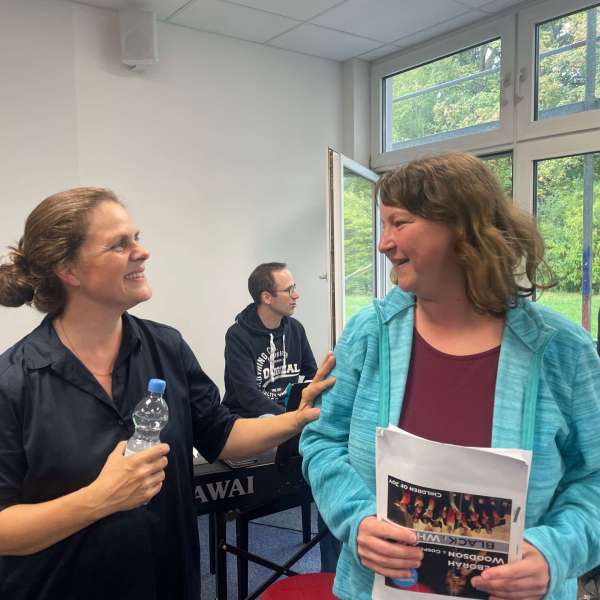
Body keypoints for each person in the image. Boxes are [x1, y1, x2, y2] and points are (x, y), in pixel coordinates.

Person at [0, 187, 335, 600]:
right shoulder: (13, 383)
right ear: (69, 269)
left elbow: (221, 435)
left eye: (137, 238)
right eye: (119, 244)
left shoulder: (167, 348)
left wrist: (296, 418)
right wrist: (99, 500)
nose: (142, 252)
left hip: (167, 582)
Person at [300, 153, 600, 600]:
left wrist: (554, 552)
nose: (383, 244)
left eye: (399, 223)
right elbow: (322, 442)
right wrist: (357, 520)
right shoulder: (369, 335)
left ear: (463, 227)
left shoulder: (562, 352)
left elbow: (594, 477)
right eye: (383, 225)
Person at [222, 262, 317, 417]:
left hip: (288, 416)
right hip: (248, 417)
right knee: (268, 418)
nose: (296, 295)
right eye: (288, 290)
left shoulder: (296, 329)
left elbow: (312, 374)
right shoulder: (238, 336)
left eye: (294, 288)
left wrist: (306, 406)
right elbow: (249, 397)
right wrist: (290, 418)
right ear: (267, 297)